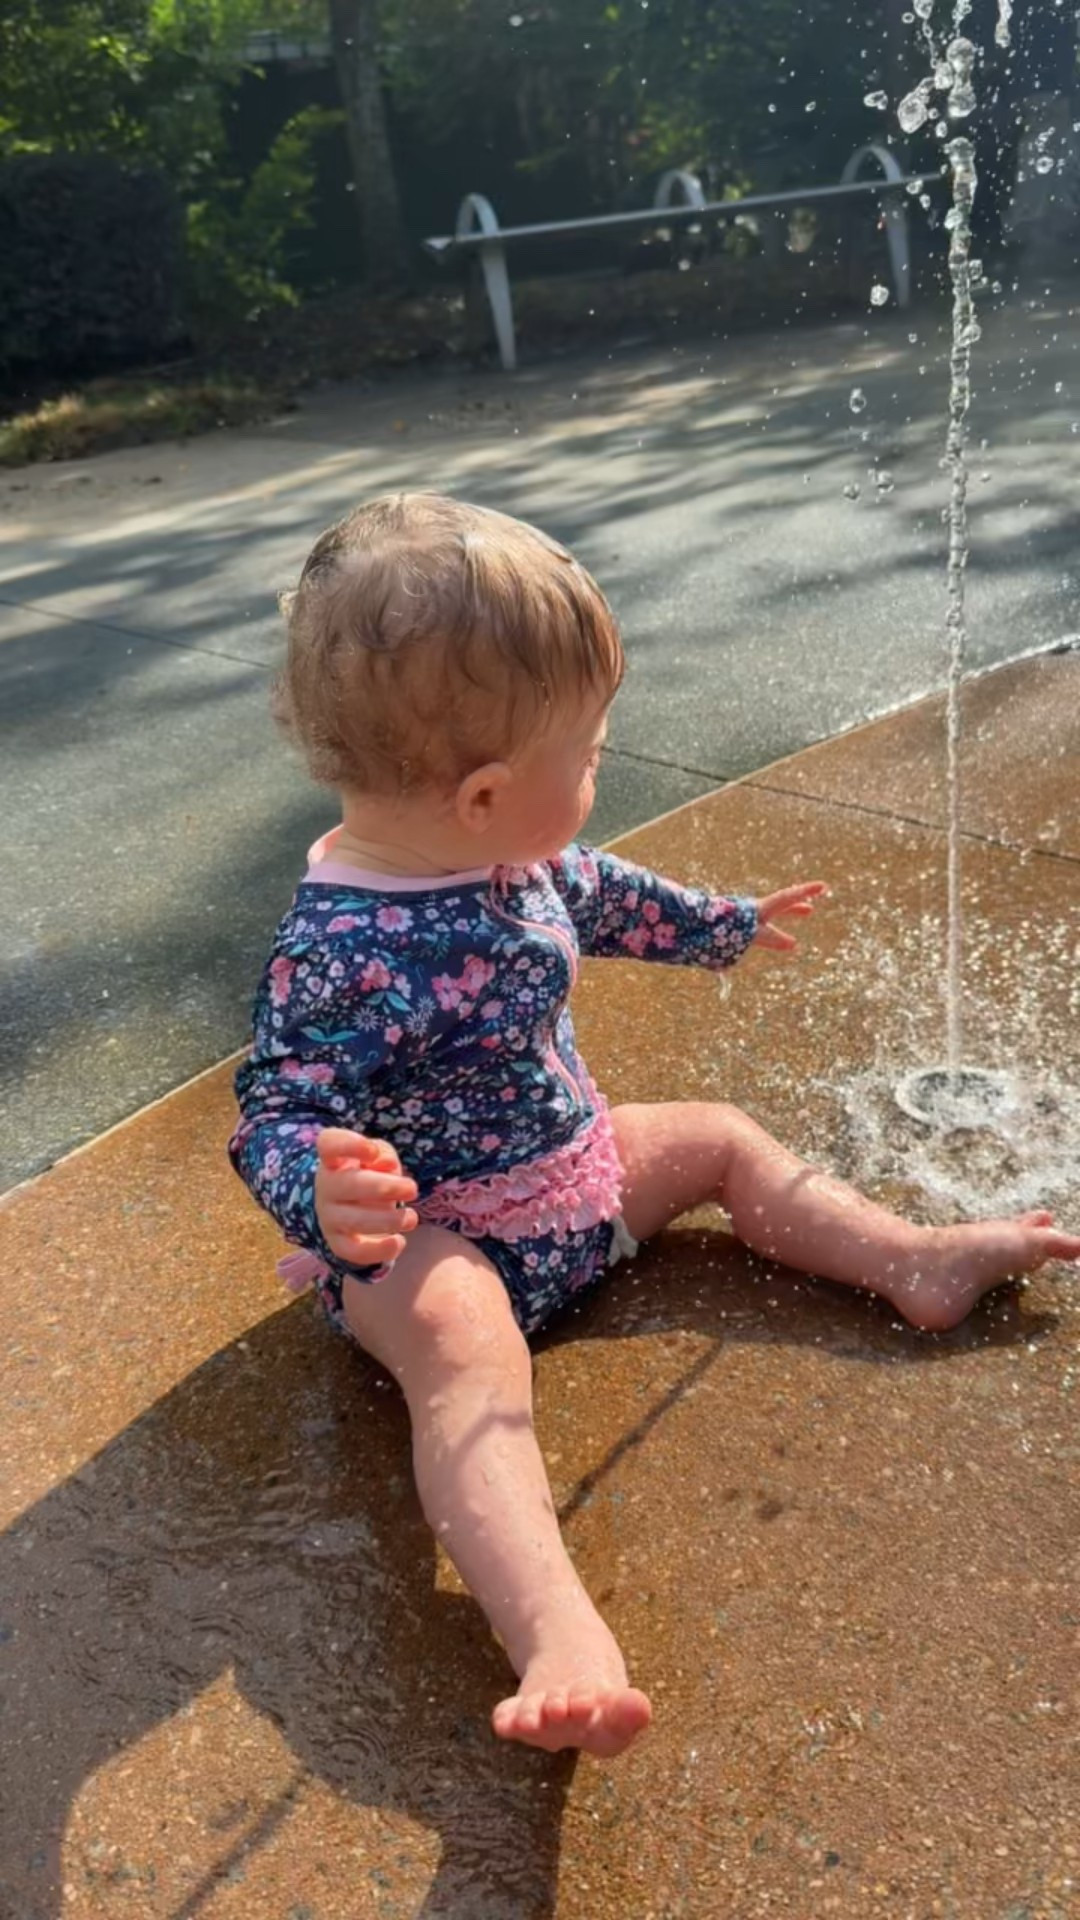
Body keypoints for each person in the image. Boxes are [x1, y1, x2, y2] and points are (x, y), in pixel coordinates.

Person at [229, 492, 1080, 1759]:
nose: (600, 773)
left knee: (723, 1137)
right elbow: (274, 1108)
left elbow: (602, 889)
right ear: (481, 795)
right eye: (590, 758)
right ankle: (557, 1630)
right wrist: (325, 1192)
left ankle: (908, 1256)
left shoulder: (510, 856)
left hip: (569, 1182)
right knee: (467, 1356)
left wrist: (719, 926)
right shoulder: (341, 950)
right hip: (432, 1242)